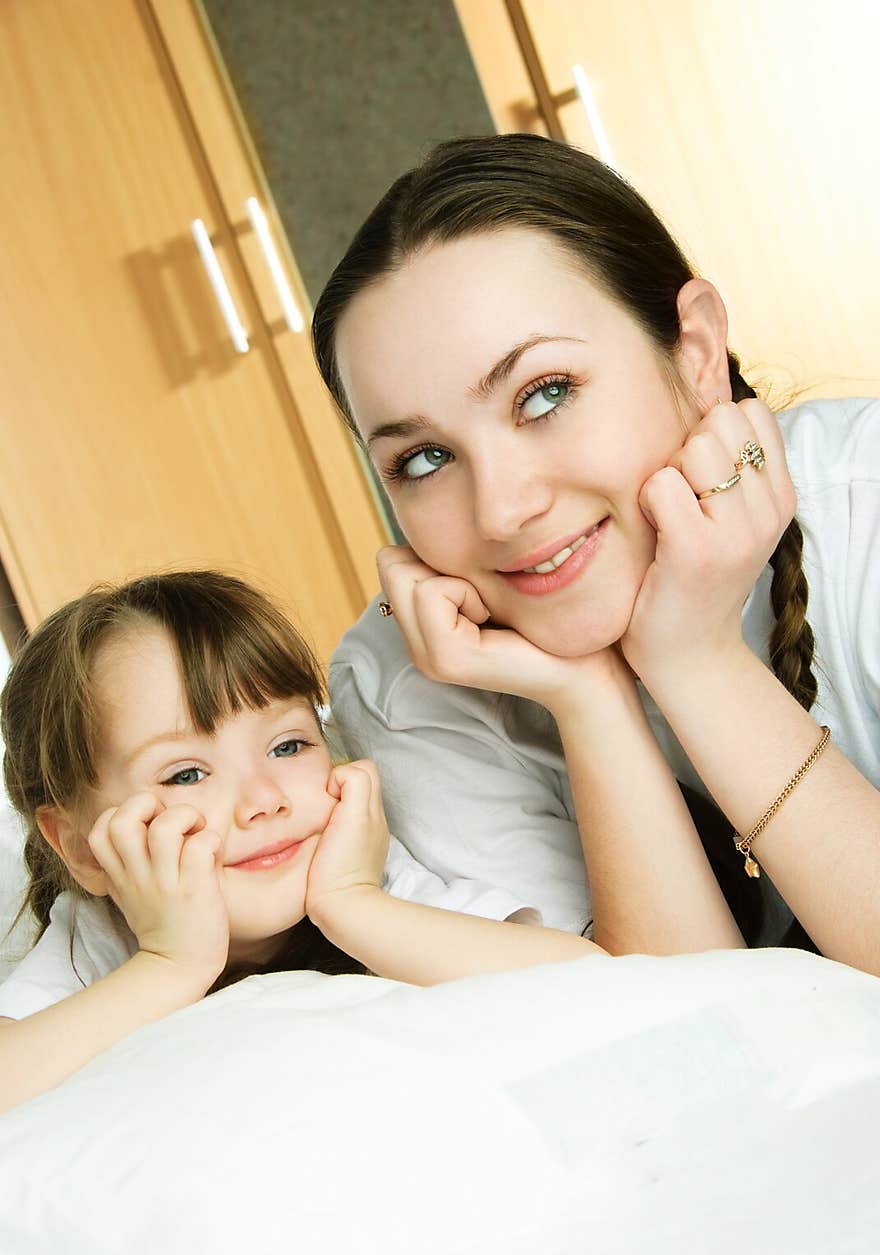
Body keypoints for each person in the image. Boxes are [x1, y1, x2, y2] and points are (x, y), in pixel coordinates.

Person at [311, 133, 880, 973]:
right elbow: (686, 1059)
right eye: (423, 459)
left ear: (695, 352)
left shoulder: (863, 502)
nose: (503, 510)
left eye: (544, 395)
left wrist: (697, 661)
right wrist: (588, 698)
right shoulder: (408, 689)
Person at [0, 570, 744, 1113]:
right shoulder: (94, 941)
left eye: (289, 746)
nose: (263, 801)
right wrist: (171, 963)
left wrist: (353, 905)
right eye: (187, 772)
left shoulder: (363, 875)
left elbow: (588, 982)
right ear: (85, 848)